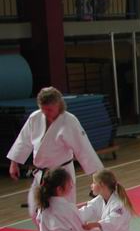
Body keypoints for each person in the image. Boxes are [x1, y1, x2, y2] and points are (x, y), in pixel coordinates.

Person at [7, 87, 103, 216]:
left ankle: (68, 229)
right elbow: (23, 141)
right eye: (43, 109)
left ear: (59, 105)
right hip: (41, 174)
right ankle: (47, 230)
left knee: (64, 212)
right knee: (36, 211)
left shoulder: (69, 120)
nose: (46, 113)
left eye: (49, 110)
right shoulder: (35, 117)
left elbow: (83, 148)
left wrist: (97, 176)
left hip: (62, 175)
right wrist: (14, 163)